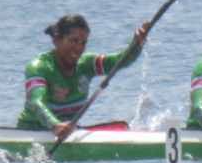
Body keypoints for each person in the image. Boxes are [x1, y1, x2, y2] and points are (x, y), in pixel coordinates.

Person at [17, 14, 149, 136]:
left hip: (67, 132)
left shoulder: (86, 64)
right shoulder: (38, 67)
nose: (79, 48)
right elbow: (38, 102)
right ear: (57, 39)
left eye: (83, 43)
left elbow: (119, 61)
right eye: (73, 41)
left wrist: (136, 44)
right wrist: (55, 125)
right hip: (30, 132)